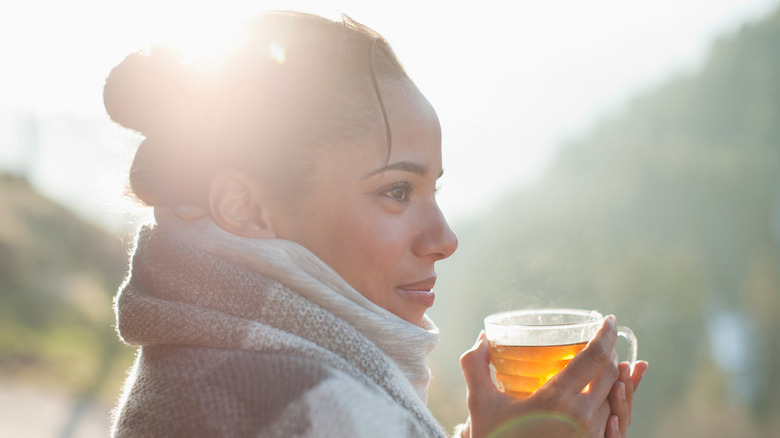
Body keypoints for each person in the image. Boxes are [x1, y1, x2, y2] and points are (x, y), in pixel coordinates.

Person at [105, 10, 647, 438]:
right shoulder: (309, 406)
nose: (445, 240)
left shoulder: (210, 367)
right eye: (397, 191)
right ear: (245, 208)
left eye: (434, 189)